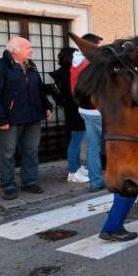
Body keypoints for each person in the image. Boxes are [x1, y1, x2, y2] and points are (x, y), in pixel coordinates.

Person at [0, 37, 52, 200]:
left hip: (33, 116)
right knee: (7, 153)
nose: (31, 50)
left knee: (31, 151)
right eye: (28, 47)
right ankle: (8, 185)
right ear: (15, 49)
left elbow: (39, 88)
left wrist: (47, 106)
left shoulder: (31, 65)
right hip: (11, 119)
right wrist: (0, 119)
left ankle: (29, 182)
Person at [71, 33, 105, 192]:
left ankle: (96, 181)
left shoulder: (75, 62)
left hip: (84, 110)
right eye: (96, 46)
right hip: (98, 110)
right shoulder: (91, 63)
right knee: (113, 145)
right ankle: (114, 177)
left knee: (93, 147)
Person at [49, 47, 88, 183]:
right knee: (75, 141)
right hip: (75, 110)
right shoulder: (69, 74)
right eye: (77, 55)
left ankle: (77, 167)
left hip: (73, 109)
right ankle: (73, 172)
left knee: (76, 140)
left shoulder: (65, 73)